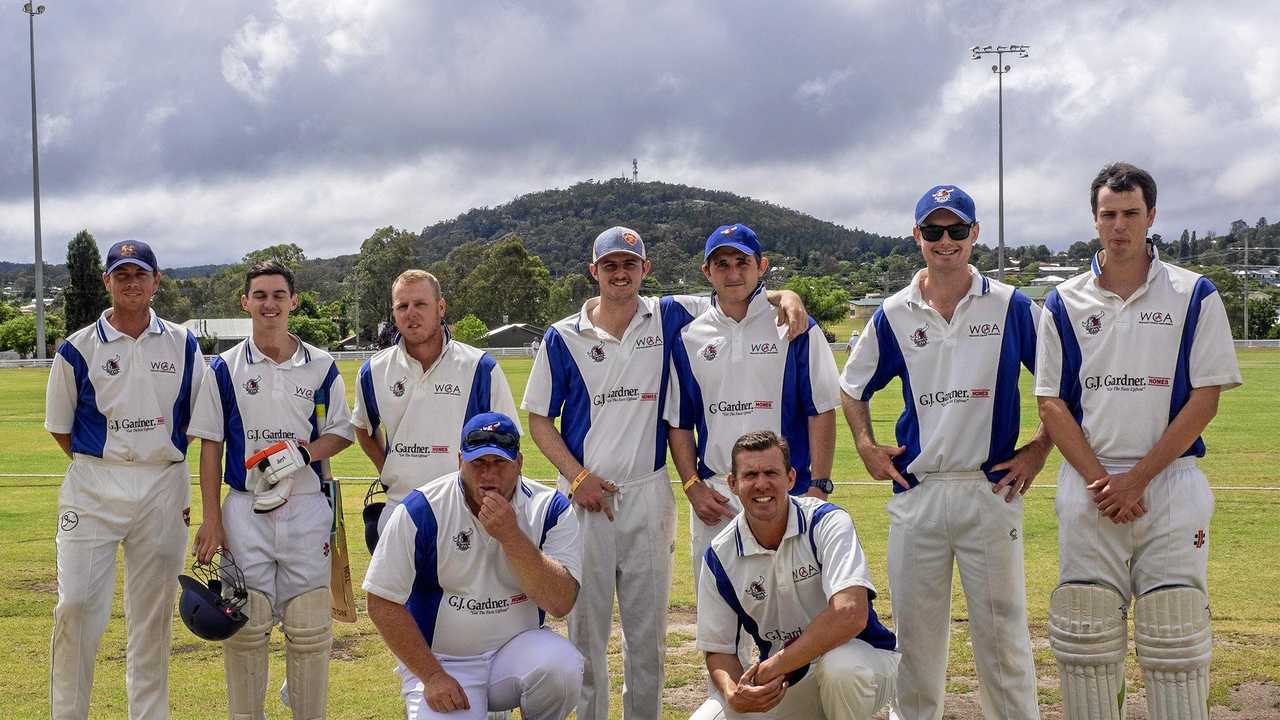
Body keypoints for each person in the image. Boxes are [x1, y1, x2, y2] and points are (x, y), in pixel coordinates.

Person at [521, 226, 808, 720]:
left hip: (649, 493)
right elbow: (538, 420)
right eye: (609, 265)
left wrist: (788, 293)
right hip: (585, 498)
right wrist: (575, 476)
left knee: (646, 637)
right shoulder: (562, 336)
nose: (619, 274)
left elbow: (736, 288)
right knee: (586, 634)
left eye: (629, 265)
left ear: (645, 270)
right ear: (594, 271)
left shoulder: (671, 313)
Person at [1037, 163, 1241, 720]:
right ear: (1094, 220)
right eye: (1109, 215)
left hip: (1169, 484)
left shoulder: (1193, 293)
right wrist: (1105, 481)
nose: (1119, 226)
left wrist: (1138, 479)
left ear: (1152, 216)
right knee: (1086, 630)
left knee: (1175, 631)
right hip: (1089, 485)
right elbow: (1051, 402)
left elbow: (1205, 399)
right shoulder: (1063, 302)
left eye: (1131, 214)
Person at [840, 185, 1047, 719]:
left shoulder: (1011, 305)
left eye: (957, 230)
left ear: (976, 233)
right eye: (934, 231)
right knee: (916, 642)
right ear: (917, 237)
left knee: (1003, 640)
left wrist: (1039, 450)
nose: (946, 241)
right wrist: (866, 445)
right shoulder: (893, 313)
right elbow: (851, 387)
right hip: (919, 492)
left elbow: (1062, 384)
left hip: (990, 489)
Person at [45, 239, 205, 720]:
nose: (131, 282)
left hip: (162, 483)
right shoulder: (77, 348)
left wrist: (154, 460)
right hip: (94, 486)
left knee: (151, 620)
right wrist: (107, 462)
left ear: (156, 281)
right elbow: (61, 426)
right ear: (107, 281)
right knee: (74, 607)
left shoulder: (183, 343)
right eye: (122, 274)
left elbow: (197, 419)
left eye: (140, 274)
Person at [189, 260, 354, 719]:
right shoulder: (223, 367)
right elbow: (211, 447)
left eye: (278, 295)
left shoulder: (321, 366)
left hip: (306, 506)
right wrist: (212, 520)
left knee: (309, 630)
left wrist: (305, 453)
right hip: (244, 509)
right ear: (245, 302)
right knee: (246, 628)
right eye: (259, 295)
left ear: (293, 301)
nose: (269, 304)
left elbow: (342, 432)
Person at [363, 412, 583, 719]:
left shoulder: (549, 509)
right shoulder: (422, 510)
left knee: (563, 667)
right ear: (459, 461)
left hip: (516, 652)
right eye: (477, 463)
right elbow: (381, 601)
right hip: (443, 662)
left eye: (499, 463)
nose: (488, 476)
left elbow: (560, 602)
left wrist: (511, 536)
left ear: (519, 463)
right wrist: (432, 676)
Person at [667, 223, 842, 594]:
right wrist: (692, 486)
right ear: (706, 271)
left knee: (795, 611)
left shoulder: (795, 324)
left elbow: (822, 410)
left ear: (761, 265)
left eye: (741, 262)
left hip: (786, 489)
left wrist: (820, 487)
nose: (732, 273)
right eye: (722, 264)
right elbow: (680, 423)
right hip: (718, 493)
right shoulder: (688, 335)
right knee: (720, 620)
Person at [692, 431, 898, 720]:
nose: (761, 483)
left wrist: (773, 666)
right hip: (785, 680)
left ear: (790, 478)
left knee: (841, 668)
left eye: (771, 472)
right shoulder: (719, 556)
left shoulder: (826, 522)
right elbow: (718, 649)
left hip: (865, 660)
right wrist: (733, 692)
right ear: (732, 484)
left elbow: (851, 613)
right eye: (750, 474)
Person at [351, 269, 519, 537]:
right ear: (394, 313)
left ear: (441, 307)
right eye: (402, 306)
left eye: (420, 304)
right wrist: (388, 467)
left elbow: (509, 440)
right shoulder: (373, 370)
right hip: (400, 505)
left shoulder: (479, 367)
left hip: (466, 508)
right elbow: (362, 427)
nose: (411, 313)